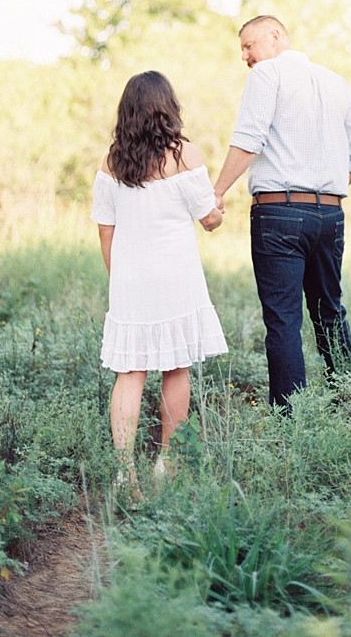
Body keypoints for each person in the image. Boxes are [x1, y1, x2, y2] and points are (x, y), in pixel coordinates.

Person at [212, 16, 351, 410]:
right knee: (330, 312)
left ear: (275, 36)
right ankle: (347, 403)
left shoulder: (268, 74)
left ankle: (291, 420)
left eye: (248, 45)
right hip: (330, 216)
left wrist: (216, 191)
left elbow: (249, 138)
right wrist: (323, 188)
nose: (245, 56)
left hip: (279, 215)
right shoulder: (336, 82)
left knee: (283, 321)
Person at [91, 70, 227, 495]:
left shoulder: (113, 161)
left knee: (129, 371)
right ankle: (168, 463)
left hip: (131, 278)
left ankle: (123, 469)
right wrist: (219, 209)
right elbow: (209, 219)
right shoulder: (185, 154)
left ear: (127, 111)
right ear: (169, 107)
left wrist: (121, 279)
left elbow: (105, 230)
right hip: (176, 275)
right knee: (175, 366)